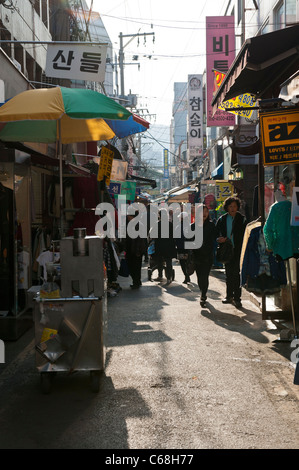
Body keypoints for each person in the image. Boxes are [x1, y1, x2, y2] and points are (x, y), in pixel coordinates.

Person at [215, 196, 247, 308]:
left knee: (237, 274)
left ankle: (237, 298)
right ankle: (229, 296)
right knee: (228, 274)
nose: (232, 208)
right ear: (227, 207)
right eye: (230, 206)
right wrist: (219, 239)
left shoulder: (242, 219)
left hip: (238, 251)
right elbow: (216, 233)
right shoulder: (222, 219)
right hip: (227, 250)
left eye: (234, 206)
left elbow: (245, 235)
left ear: (238, 207)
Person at [192, 205, 216, 307]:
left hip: (207, 255)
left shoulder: (211, 225)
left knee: (205, 276)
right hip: (196, 255)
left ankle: (203, 295)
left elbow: (215, 238)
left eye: (206, 211)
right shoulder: (193, 226)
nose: (204, 214)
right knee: (199, 276)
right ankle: (202, 291)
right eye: (202, 212)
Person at [149, 208, 177, 285]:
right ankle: (169, 277)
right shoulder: (171, 224)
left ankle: (160, 275)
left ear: (159, 215)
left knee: (160, 261)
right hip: (169, 246)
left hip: (160, 246)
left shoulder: (157, 224)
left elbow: (152, 235)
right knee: (168, 261)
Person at [125, 206, 147, 289]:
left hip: (135, 250)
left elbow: (139, 239)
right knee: (136, 266)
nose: (127, 217)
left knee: (134, 267)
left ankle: (136, 282)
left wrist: (137, 251)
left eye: (128, 216)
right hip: (134, 249)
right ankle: (137, 281)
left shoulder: (136, 224)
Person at [175, 211, 191, 284]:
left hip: (181, 248)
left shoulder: (178, 227)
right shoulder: (190, 226)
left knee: (183, 262)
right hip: (189, 248)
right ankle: (188, 275)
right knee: (188, 262)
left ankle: (186, 276)